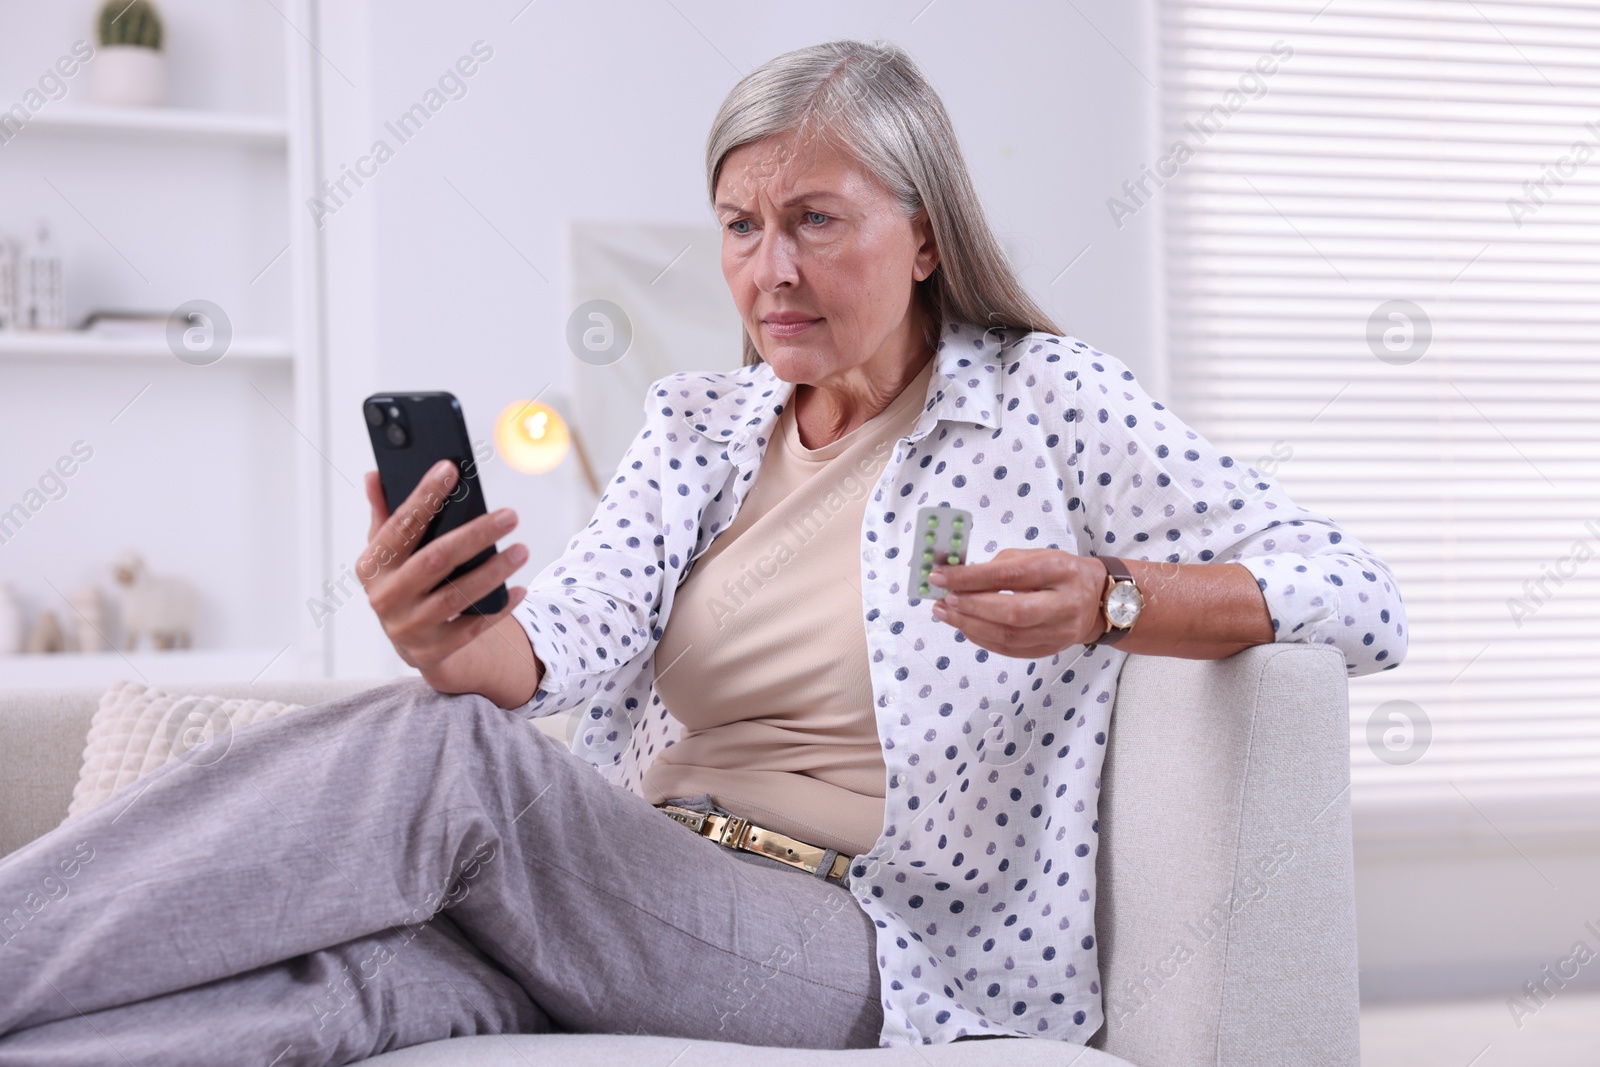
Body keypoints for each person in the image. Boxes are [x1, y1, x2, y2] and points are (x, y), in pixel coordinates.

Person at [0, 38, 1406, 1065]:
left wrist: (1114, 597)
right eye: (742, 227)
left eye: (816, 223)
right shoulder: (698, 427)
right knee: (334, 988)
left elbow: (1360, 592)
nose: (770, 272)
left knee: (443, 763)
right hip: (639, 878)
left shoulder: (1046, 401)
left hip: (851, 945)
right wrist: (447, 636)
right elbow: (545, 659)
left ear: (924, 238)